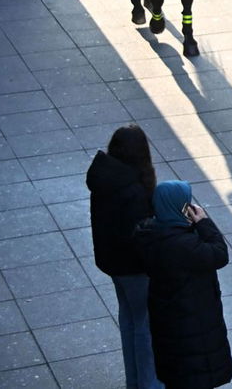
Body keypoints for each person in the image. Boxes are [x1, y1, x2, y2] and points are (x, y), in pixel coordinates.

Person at [131, 180, 232, 389]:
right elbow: (219, 254)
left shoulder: (151, 235)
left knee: (177, 377)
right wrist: (203, 222)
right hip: (192, 328)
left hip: (169, 323)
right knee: (194, 379)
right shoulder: (184, 245)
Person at [87, 124, 163, 389]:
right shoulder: (135, 190)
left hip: (113, 262)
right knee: (145, 325)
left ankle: (135, 382)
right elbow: (142, 235)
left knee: (129, 318)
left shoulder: (104, 175)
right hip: (135, 267)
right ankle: (148, 383)